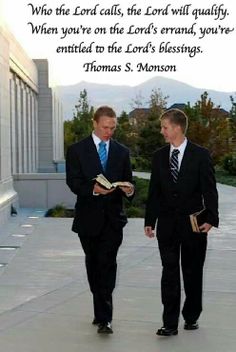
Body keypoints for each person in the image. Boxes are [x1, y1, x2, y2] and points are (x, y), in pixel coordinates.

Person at [144, 109, 219, 336]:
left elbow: (210, 190)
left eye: (164, 127)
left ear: (177, 127)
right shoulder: (158, 156)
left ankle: (191, 316)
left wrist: (211, 219)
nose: (162, 131)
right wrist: (150, 220)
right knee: (169, 273)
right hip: (167, 225)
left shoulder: (200, 155)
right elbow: (154, 192)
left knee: (192, 272)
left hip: (193, 226)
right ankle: (169, 322)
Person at [66, 106, 134, 334]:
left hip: (113, 220)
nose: (109, 132)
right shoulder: (76, 150)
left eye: (113, 128)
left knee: (107, 263)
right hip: (88, 219)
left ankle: (105, 318)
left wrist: (128, 190)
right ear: (94, 123)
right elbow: (73, 182)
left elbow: (128, 181)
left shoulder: (122, 152)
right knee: (93, 264)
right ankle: (100, 306)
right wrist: (93, 189)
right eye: (105, 127)